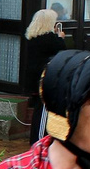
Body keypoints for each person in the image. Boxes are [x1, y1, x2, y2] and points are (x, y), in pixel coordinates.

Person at [23, 7, 69, 144]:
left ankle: (38, 140)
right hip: (44, 80)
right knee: (43, 111)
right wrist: (60, 38)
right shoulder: (49, 39)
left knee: (40, 110)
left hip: (34, 78)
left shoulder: (33, 37)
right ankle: (38, 142)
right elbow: (62, 51)